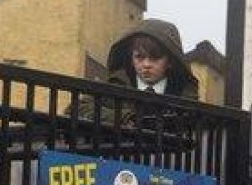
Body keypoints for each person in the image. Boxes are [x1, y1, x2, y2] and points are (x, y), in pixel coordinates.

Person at [71, 18, 199, 127]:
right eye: (139, 57)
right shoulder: (114, 86)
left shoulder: (184, 95)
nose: (146, 64)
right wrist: (124, 117)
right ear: (131, 59)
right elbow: (76, 109)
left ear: (170, 61)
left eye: (154, 58)